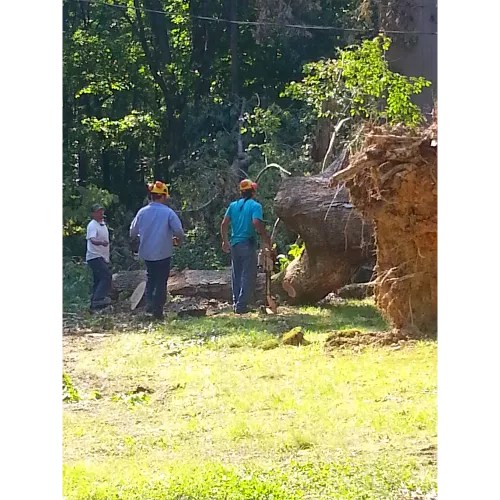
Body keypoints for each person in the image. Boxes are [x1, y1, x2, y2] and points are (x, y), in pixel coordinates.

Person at [129, 181, 185, 320]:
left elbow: (132, 232)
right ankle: (158, 311)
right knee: (161, 281)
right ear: (163, 196)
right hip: (163, 252)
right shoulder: (168, 213)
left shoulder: (142, 212)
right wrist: (178, 240)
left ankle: (149, 306)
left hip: (147, 252)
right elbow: (179, 231)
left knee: (151, 278)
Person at [221, 179, 272, 314]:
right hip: (247, 244)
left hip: (234, 244)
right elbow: (256, 222)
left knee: (236, 274)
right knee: (248, 275)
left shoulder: (233, 206)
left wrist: (225, 241)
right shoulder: (255, 206)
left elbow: (224, 224)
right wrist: (265, 237)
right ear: (253, 192)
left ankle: (236, 302)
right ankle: (241, 306)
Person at [86, 203, 112, 310]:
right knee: (106, 276)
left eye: (101, 210)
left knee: (98, 280)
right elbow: (92, 239)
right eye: (97, 211)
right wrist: (101, 242)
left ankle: (94, 306)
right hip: (95, 256)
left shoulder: (102, 224)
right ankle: (99, 300)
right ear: (93, 214)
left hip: (102, 256)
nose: (100, 213)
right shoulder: (92, 225)